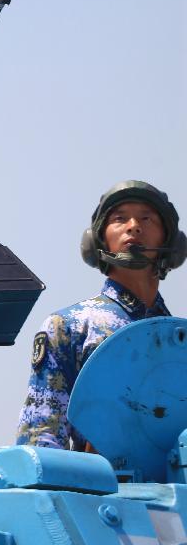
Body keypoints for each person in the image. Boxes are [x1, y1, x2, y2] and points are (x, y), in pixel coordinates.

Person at [16, 180, 186, 451]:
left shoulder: (180, 341)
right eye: (120, 219)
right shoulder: (69, 326)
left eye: (147, 218)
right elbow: (42, 437)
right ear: (98, 239)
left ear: (170, 241)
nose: (134, 226)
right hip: (102, 490)